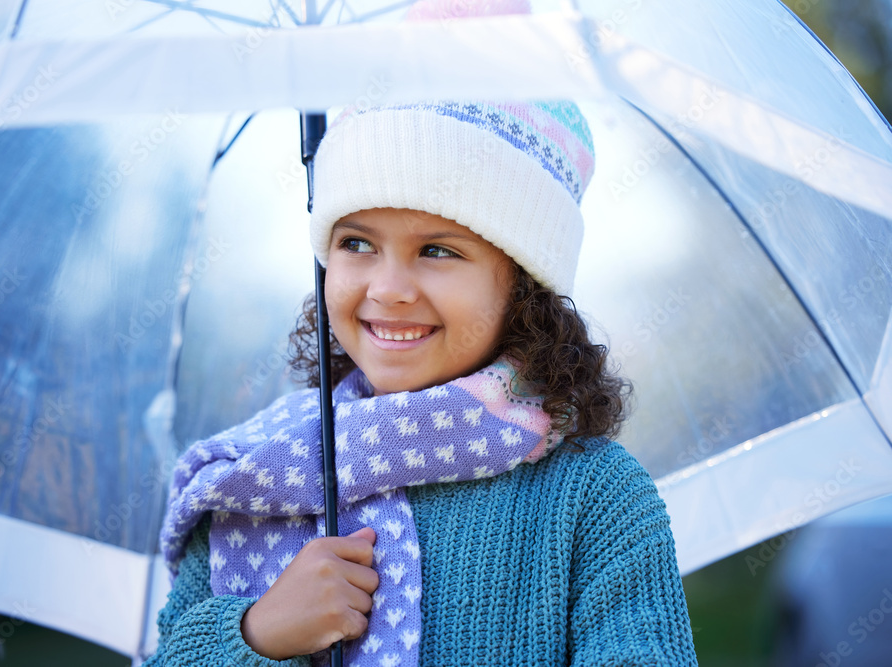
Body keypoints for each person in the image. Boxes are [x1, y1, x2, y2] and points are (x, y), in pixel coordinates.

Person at [141, 93, 698, 666]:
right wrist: (255, 633)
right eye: (356, 243)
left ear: (524, 288)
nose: (388, 288)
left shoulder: (594, 498)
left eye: (437, 250)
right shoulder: (255, 481)